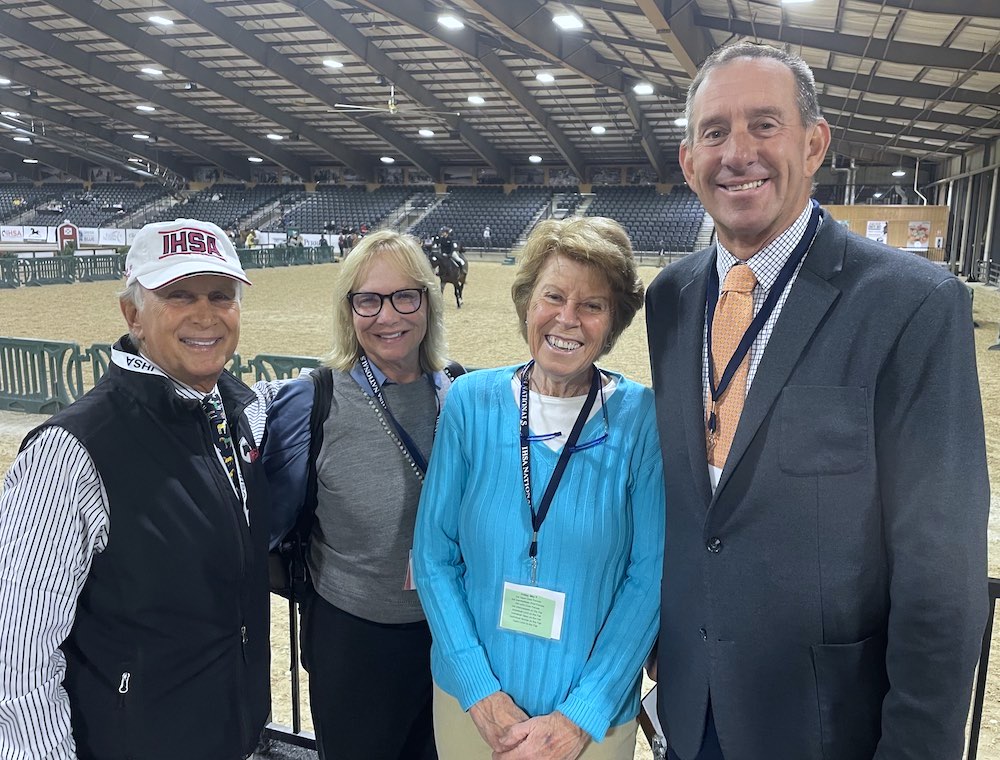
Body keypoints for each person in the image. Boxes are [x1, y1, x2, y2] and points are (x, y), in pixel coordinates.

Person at [645, 41, 989, 760]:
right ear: (688, 161)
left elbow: (941, 575)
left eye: (764, 125)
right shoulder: (670, 298)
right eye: (714, 132)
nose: (737, 152)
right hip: (690, 707)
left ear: (814, 142)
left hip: (827, 728)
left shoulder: (913, 304)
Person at [0, 218, 272, 759]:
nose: (205, 314)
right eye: (177, 295)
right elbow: (17, 663)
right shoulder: (67, 454)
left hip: (231, 736)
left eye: (221, 295)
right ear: (132, 315)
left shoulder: (241, 413)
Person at [414, 216, 664, 760]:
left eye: (592, 305)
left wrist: (581, 715)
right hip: (471, 711)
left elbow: (649, 578)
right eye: (553, 296)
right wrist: (480, 693)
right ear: (528, 302)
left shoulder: (642, 419)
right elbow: (433, 555)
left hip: (590, 725)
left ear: (612, 320)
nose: (567, 320)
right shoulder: (468, 402)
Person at [262, 230, 463, 760]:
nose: (388, 316)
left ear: (426, 300)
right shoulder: (314, 400)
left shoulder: (460, 393)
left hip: (448, 638)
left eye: (404, 296)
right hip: (351, 640)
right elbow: (267, 516)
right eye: (368, 300)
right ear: (349, 309)